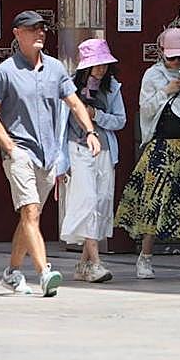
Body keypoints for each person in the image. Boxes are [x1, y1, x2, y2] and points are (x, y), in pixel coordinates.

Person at [0, 10, 102, 297]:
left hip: (48, 155)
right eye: (32, 28)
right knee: (30, 211)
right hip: (19, 153)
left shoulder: (55, 69)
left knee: (30, 217)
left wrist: (90, 132)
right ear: (17, 34)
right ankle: (44, 273)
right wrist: (10, 148)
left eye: (42, 28)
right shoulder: (5, 72)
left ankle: (12, 272)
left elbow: (74, 103)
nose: (40, 33)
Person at [116, 27, 180, 280]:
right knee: (154, 201)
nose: (176, 62)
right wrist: (167, 90)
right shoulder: (153, 75)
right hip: (162, 147)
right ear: (162, 52)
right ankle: (145, 257)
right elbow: (146, 109)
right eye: (172, 57)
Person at [61, 38, 126, 283]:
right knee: (86, 200)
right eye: (96, 65)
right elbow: (61, 124)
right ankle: (96, 263)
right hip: (77, 148)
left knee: (101, 202)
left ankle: (83, 265)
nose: (101, 69)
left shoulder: (112, 88)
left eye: (104, 64)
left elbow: (120, 120)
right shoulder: (69, 88)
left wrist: (97, 115)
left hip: (105, 150)